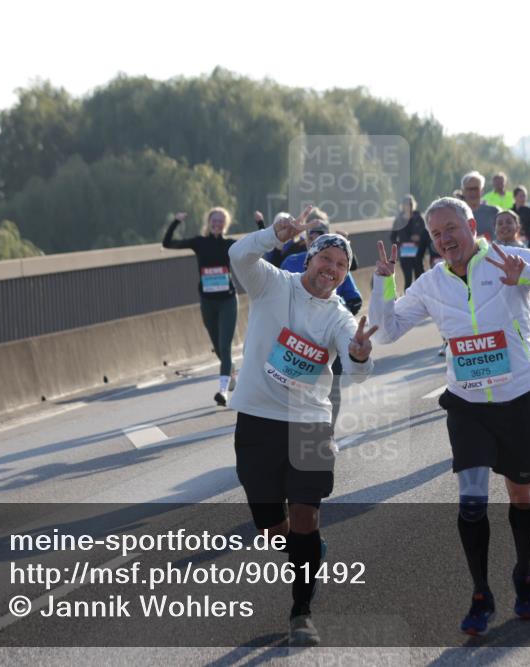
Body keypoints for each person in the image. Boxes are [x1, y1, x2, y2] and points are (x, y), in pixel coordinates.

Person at [369, 196, 530, 637]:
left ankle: (523, 575)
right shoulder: (431, 283)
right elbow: (387, 331)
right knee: (471, 503)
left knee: (520, 494)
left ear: (472, 225)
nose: (445, 239)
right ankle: (480, 594)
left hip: (518, 397)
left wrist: (528, 274)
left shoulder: (507, 258)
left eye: (451, 228)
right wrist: (383, 283)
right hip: (467, 405)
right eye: (436, 234)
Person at [228, 205, 376, 647]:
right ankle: (302, 553)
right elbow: (239, 256)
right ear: (308, 258)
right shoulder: (273, 284)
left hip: (309, 425)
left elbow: (356, 370)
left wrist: (361, 354)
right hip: (257, 419)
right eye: (326, 260)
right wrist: (270, 236)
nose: (331, 270)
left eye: (341, 266)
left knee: (307, 519)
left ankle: (301, 613)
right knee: (274, 529)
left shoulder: (338, 317)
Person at [279, 211, 363, 430]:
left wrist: (331, 319)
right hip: (292, 339)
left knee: (330, 387)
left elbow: (354, 300)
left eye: (321, 234)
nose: (315, 237)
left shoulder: (337, 268)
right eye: (311, 234)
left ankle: (328, 431)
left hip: (327, 338)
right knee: (286, 384)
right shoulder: (290, 261)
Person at [163, 207, 243, 406]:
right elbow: (167, 243)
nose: (217, 224)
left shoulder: (230, 245)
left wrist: (260, 224)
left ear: (226, 224)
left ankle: (223, 392)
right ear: (208, 222)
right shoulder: (199, 243)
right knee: (217, 347)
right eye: (214, 220)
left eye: (220, 221)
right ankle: (231, 370)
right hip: (208, 302)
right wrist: (176, 222)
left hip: (228, 301)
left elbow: (257, 248)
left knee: (225, 347)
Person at [496, 210, 530, 344]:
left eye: (509, 222)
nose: (504, 226)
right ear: (495, 229)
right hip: (497, 321)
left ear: (518, 226)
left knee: (526, 362)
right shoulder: (487, 254)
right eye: (500, 223)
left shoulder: (528, 253)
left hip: (525, 317)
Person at [390, 194, 429, 291]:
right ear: (403, 205)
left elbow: (426, 235)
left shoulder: (419, 218)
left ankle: (422, 301)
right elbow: (392, 237)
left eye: (411, 204)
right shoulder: (398, 220)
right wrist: (400, 245)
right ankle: (408, 302)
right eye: (407, 204)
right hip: (405, 254)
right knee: (408, 280)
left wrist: (419, 238)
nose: (409, 206)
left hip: (418, 254)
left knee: (420, 279)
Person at [461, 171, 499, 241]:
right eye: (469, 189)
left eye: (476, 189)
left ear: (482, 191)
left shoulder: (494, 212)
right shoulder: (455, 213)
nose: (473, 192)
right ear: (463, 191)